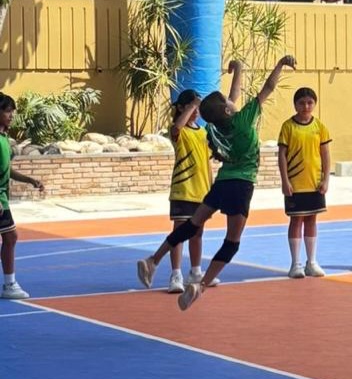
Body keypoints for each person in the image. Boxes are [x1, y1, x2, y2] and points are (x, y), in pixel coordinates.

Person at [136, 55, 297, 310]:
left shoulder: (212, 129)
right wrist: (279, 65)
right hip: (241, 184)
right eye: (228, 103)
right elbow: (267, 88)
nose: (232, 102)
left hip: (220, 184)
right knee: (231, 243)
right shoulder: (243, 120)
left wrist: (239, 71)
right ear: (226, 110)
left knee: (191, 225)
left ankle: (153, 260)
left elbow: (230, 99)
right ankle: (199, 285)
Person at [278, 87, 331, 279]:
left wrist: (325, 179)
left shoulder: (320, 127)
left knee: (312, 220)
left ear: (314, 104)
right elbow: (282, 156)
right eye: (301, 103)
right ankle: (295, 263)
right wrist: (285, 180)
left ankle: (312, 262)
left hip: (314, 183)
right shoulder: (287, 127)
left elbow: (325, 154)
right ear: (295, 105)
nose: (306, 106)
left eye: (309, 102)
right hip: (295, 183)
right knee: (296, 220)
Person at [165, 89, 215, 294]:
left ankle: (196, 272)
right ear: (181, 108)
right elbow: (177, 126)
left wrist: (212, 189)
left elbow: (208, 161)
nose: (196, 111)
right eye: (191, 107)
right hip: (183, 190)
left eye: (197, 108)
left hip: (202, 191)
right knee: (179, 233)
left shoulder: (203, 133)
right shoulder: (179, 131)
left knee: (197, 233)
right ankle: (175, 274)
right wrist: (193, 103)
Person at [0, 93, 44, 300]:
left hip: (2, 198)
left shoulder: (4, 141)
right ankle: (9, 285)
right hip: (0, 200)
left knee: (10, 237)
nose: (11, 115)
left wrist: (29, 180)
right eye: (7, 111)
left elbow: (7, 171)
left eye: (12, 111)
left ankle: (9, 284)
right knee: (11, 237)